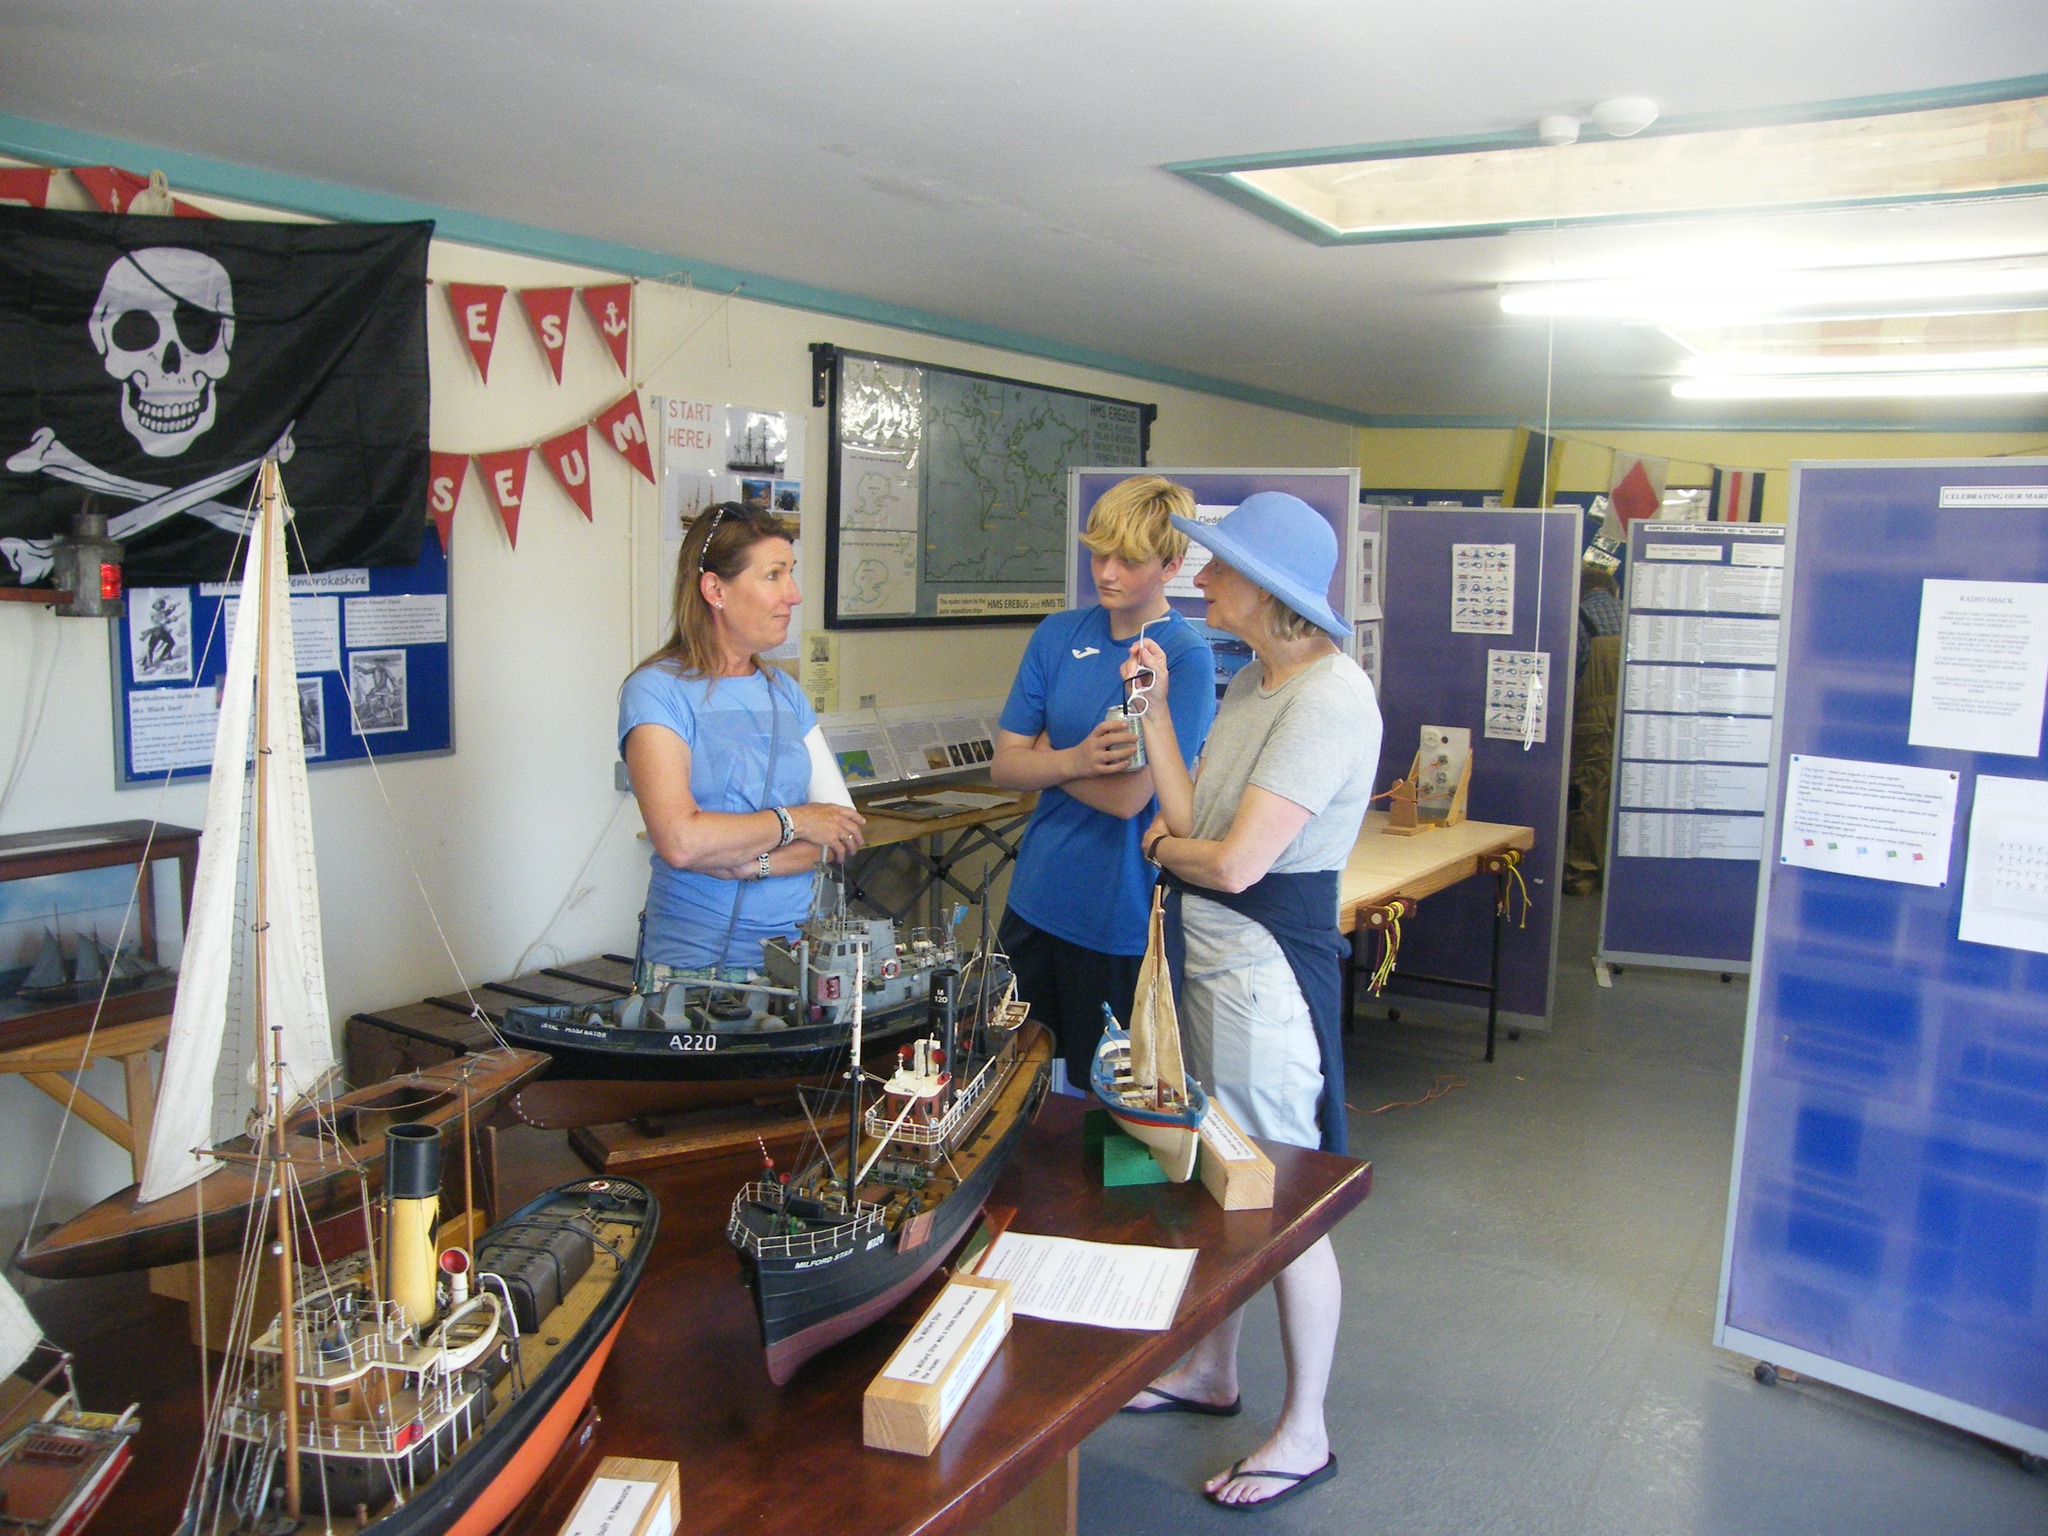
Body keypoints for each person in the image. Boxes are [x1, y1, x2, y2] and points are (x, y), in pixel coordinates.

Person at [1116, 491, 1381, 1512]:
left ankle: (1305, 1429)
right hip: (1212, 960)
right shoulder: (1250, 683)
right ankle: (1210, 1371)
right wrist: (1151, 716)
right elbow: (1192, 819)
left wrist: (1163, 850)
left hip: (1263, 973)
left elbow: (1231, 864)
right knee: (1221, 1176)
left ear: (1268, 591)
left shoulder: (1328, 700)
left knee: (1284, 1199)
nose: (1202, 577)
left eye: (1219, 565)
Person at [990, 476, 1215, 1093]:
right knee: (1012, 1085)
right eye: (1099, 555)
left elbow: (1129, 799)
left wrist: (1046, 755)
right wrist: (1079, 759)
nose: (1107, 573)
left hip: (1117, 914)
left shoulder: (1183, 656)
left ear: (1171, 565)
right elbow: (1003, 767)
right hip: (1036, 899)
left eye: (1129, 560)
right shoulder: (1057, 634)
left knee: (1109, 1098)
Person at [619, 502, 866, 976]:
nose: (793, 595)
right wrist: (798, 821)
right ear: (715, 590)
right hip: (693, 966)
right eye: (774, 575)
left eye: (791, 573)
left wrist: (754, 864)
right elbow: (681, 841)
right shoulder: (655, 691)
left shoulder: (785, 692)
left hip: (798, 961)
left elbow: (842, 830)